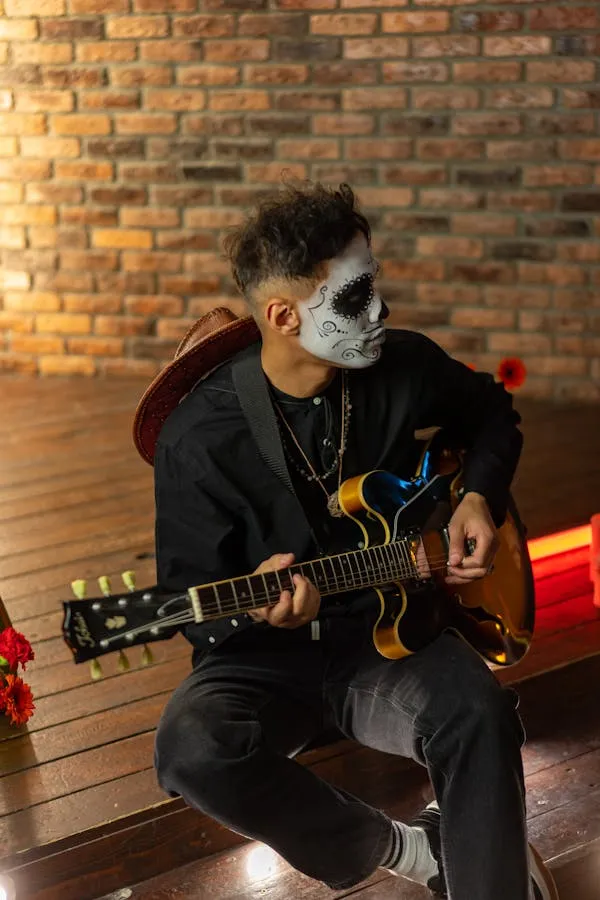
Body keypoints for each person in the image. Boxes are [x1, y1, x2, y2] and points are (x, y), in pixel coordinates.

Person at [146, 182, 559, 900]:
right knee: (192, 749)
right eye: (355, 296)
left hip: (391, 635)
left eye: (374, 285)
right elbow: (200, 609)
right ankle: (406, 849)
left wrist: (478, 499)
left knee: (478, 712)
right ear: (282, 315)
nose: (381, 310)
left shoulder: (403, 365)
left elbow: (492, 412)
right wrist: (257, 607)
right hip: (268, 658)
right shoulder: (198, 440)